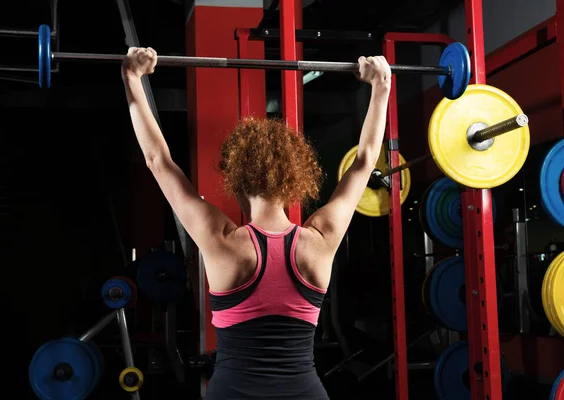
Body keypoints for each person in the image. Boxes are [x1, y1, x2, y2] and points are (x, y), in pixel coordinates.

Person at [121, 47, 392, 400]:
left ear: (237, 182)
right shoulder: (320, 239)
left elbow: (158, 160)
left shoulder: (222, 241)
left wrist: (131, 78)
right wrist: (381, 86)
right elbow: (365, 161)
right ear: (296, 180)